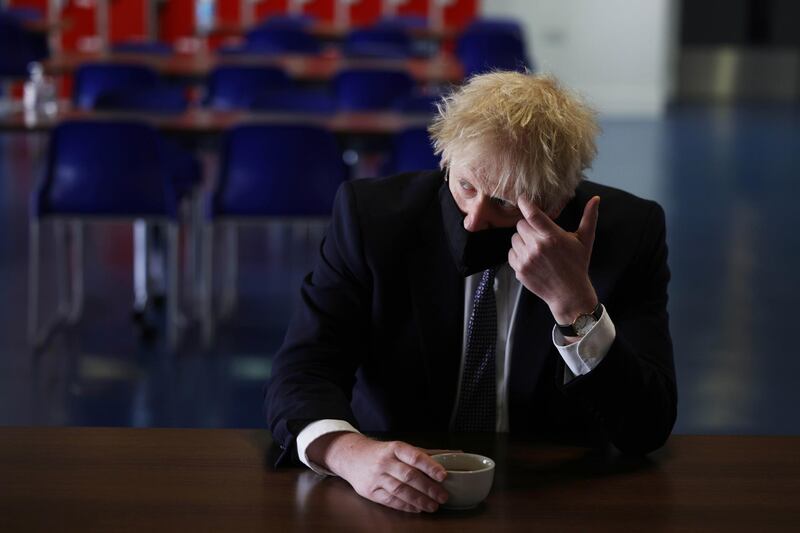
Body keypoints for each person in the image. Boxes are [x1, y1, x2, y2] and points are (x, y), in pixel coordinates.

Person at [265, 72, 677, 514]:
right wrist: (349, 453)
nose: (473, 221)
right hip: (390, 489)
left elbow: (645, 428)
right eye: (465, 187)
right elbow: (304, 370)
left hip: (554, 498)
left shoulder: (629, 233)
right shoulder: (372, 219)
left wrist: (576, 306)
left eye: (502, 202)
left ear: (556, 201)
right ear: (446, 161)